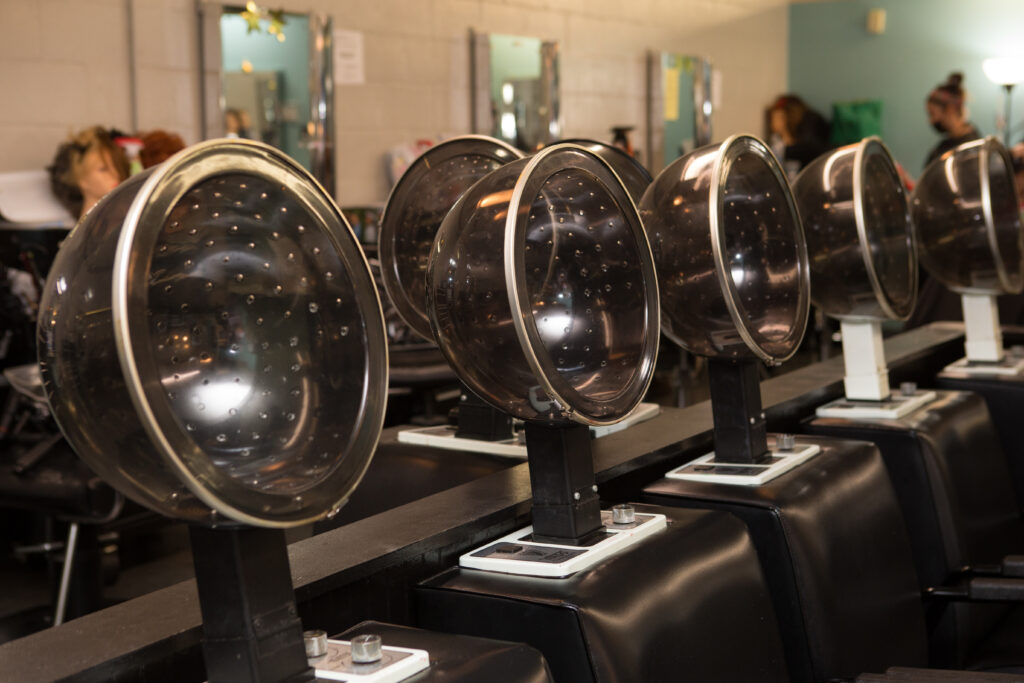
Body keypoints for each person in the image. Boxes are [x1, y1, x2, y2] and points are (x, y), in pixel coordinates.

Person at [47, 126, 130, 219]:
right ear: (79, 179)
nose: (116, 174)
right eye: (103, 169)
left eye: (116, 166)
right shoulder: (91, 230)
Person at [924, 72, 981, 167]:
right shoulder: (944, 146)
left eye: (932, 114)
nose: (930, 121)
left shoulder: (972, 149)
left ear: (950, 110)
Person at [766, 95, 831, 175]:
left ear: (786, 118)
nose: (772, 122)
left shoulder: (804, 145)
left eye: (777, 118)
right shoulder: (775, 142)